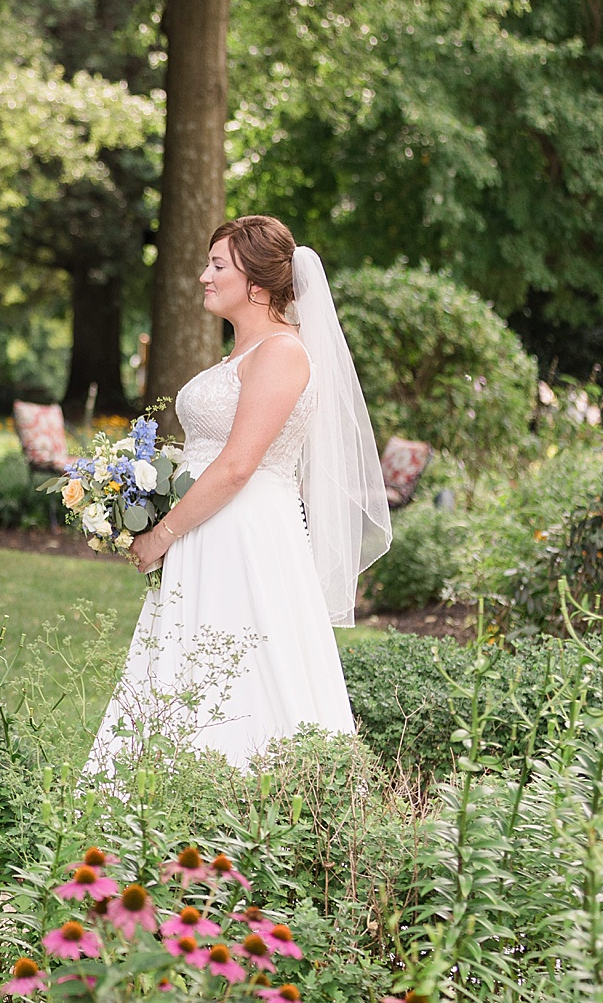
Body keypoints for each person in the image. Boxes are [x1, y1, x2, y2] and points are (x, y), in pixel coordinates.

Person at [87, 215, 390, 773]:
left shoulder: (281, 353)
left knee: (246, 664)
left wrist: (161, 534)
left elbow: (238, 465)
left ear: (256, 283)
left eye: (217, 265)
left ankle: (245, 796)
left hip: (246, 535)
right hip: (211, 527)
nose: (203, 276)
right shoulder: (241, 355)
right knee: (186, 666)